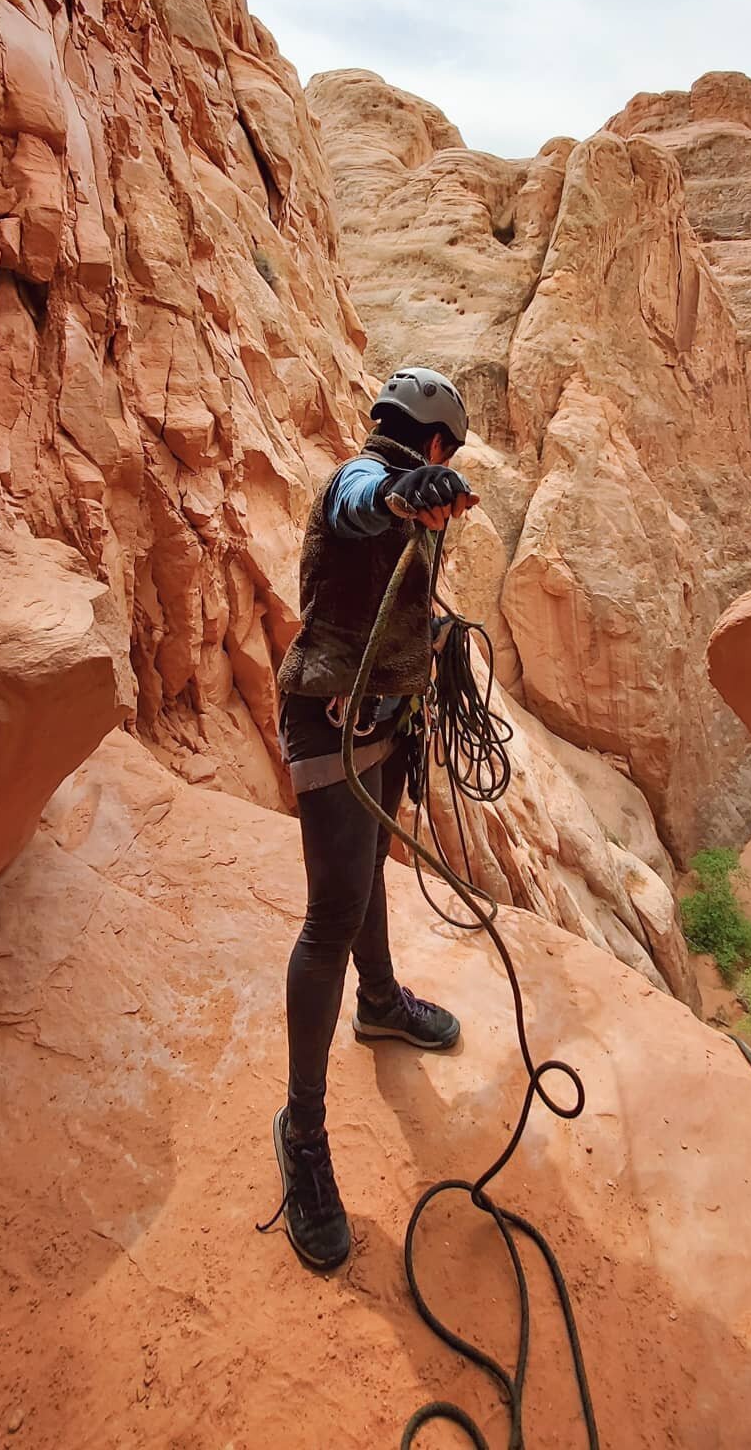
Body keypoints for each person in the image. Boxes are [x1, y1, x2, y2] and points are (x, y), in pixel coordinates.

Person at [269, 366, 477, 1269]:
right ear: (432, 445)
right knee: (329, 919)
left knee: (368, 878)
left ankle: (383, 1003)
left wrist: (437, 641)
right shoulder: (366, 481)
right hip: (332, 718)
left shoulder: (414, 514)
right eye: (446, 458)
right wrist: (402, 488)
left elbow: (384, 597)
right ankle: (302, 1132)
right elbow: (359, 501)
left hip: (384, 717)